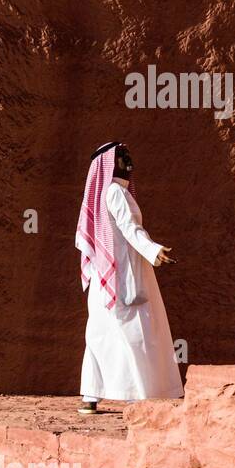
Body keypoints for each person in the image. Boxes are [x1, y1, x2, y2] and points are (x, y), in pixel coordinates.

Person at [75, 141, 183, 414]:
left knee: (102, 335)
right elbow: (130, 229)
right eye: (121, 156)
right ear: (108, 164)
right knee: (134, 332)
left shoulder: (115, 193)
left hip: (108, 276)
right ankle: (137, 395)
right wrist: (153, 251)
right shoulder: (115, 193)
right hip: (122, 275)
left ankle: (91, 396)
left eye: (127, 154)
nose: (127, 159)